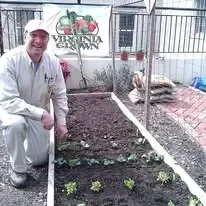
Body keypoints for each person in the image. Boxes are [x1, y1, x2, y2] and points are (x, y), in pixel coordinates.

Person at [0, 19, 68, 188]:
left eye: (43, 36)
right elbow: (8, 100)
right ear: (25, 36)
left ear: (47, 41)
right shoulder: (9, 60)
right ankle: (17, 169)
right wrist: (42, 114)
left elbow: (59, 93)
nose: (38, 40)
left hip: (38, 112)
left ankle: (24, 141)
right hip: (14, 111)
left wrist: (61, 122)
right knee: (16, 124)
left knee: (39, 160)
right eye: (34, 35)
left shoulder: (52, 62)